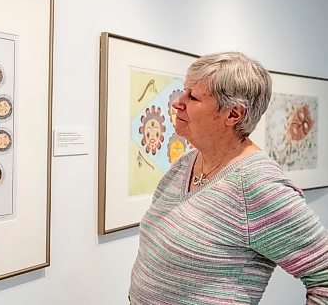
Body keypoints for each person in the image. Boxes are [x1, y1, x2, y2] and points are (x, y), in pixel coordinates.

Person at [129, 52, 328, 304]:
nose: (178, 102)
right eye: (184, 91)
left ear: (233, 114)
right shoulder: (186, 163)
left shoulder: (258, 184)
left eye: (192, 97)